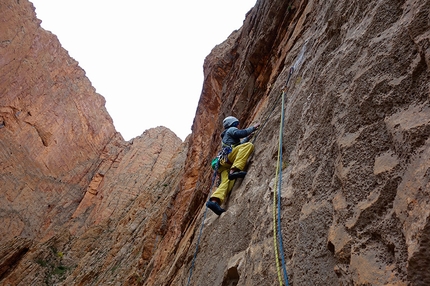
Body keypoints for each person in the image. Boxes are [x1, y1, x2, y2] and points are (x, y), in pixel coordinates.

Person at [206, 116, 260, 215]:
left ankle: (214, 202)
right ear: (233, 123)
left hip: (223, 164)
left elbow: (236, 147)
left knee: (226, 183)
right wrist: (253, 127)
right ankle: (234, 171)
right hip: (228, 158)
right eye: (237, 123)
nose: (239, 125)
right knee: (249, 146)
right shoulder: (231, 129)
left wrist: (247, 138)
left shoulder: (227, 136)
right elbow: (241, 133)